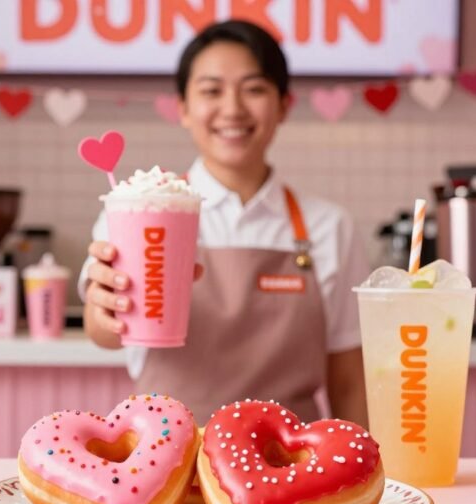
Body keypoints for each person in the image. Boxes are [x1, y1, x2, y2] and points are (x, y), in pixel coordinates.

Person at [79, 20, 370, 425]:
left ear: (284, 104)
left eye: (253, 89)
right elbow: (103, 332)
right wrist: (107, 307)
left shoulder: (329, 227)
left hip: (289, 465)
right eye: (211, 91)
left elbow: (349, 381)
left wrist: (365, 477)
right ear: (182, 107)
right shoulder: (136, 212)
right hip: (169, 461)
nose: (232, 108)